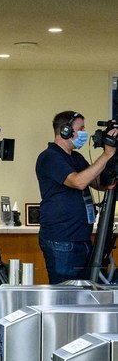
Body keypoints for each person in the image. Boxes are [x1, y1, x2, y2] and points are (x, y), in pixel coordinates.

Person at [36, 111, 117, 283]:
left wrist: (111, 158)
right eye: (81, 129)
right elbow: (78, 182)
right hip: (62, 240)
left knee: (83, 295)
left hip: (81, 239)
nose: (84, 133)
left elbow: (98, 183)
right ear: (65, 131)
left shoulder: (76, 158)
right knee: (66, 295)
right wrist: (107, 154)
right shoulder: (50, 157)